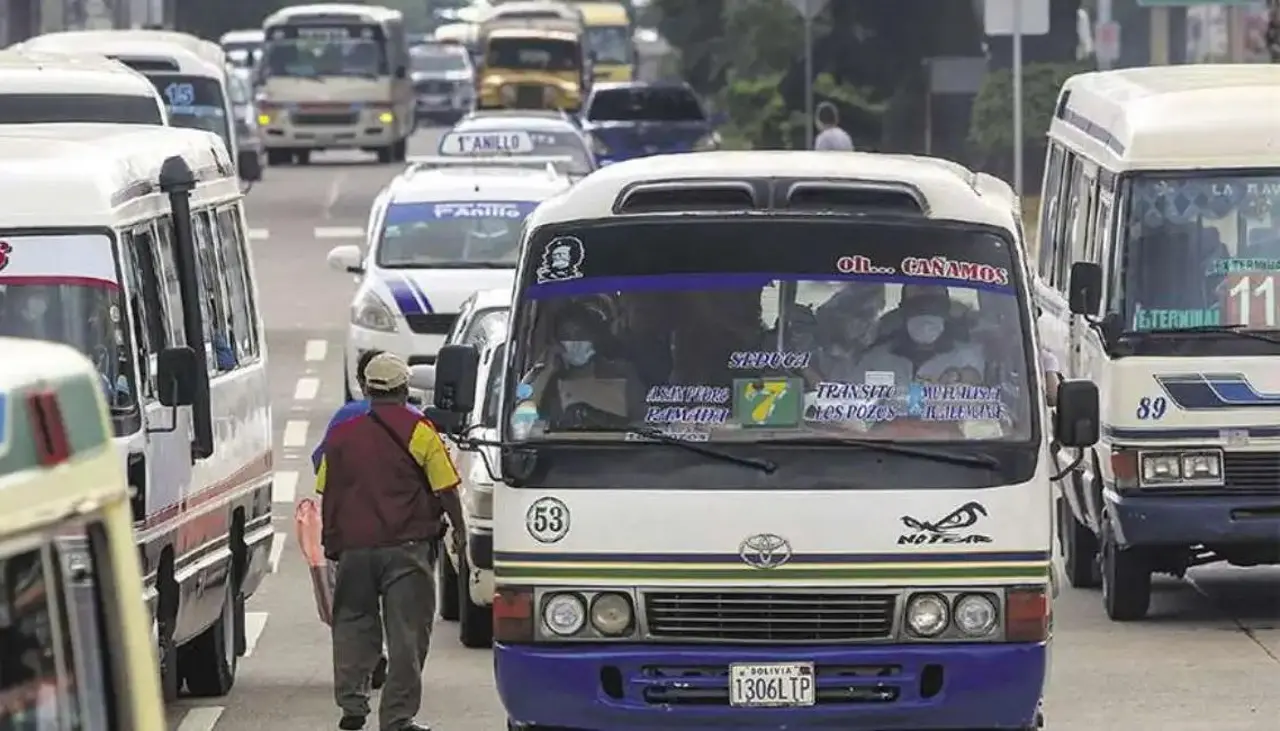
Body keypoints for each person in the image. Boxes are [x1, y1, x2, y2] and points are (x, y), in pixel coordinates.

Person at [315, 353, 466, 731]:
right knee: (407, 636)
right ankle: (397, 719)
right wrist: (461, 531)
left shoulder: (341, 434)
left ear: (366, 388)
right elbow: (446, 487)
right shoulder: (419, 430)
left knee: (352, 626)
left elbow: (325, 487)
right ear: (404, 390)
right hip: (408, 548)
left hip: (354, 548)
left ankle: (352, 708)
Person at [311, 348, 406, 693]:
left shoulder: (344, 418)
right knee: (401, 610)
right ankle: (399, 676)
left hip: (352, 535)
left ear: (363, 383)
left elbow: (322, 469)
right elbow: (441, 481)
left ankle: (362, 675)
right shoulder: (414, 419)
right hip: (403, 538)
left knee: (356, 609)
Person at [519, 302, 645, 430]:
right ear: (557, 343)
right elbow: (521, 423)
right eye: (566, 336)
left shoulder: (622, 374)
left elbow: (643, 423)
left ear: (593, 338)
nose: (574, 341)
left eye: (580, 334)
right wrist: (546, 371)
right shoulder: (548, 384)